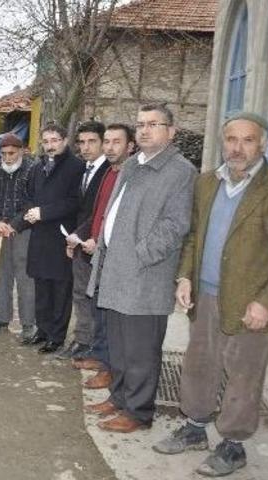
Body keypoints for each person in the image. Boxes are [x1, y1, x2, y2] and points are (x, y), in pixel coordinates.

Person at [153, 112, 268, 477]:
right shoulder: (207, 183)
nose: (237, 148)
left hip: (252, 306)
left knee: (244, 376)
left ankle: (234, 445)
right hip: (204, 297)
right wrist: (185, 277)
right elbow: (193, 238)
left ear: (263, 144)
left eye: (247, 140)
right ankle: (194, 427)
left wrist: (267, 302)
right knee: (199, 364)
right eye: (231, 139)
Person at [86, 103, 197, 433]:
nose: (145, 130)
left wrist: (139, 254)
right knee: (119, 346)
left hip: (144, 275)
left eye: (154, 124)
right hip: (115, 270)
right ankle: (119, 398)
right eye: (141, 124)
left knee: (140, 351)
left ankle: (138, 412)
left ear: (171, 132)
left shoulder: (180, 171)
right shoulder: (133, 164)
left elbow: (175, 225)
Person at [71, 124, 135, 390]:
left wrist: (98, 242)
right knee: (97, 306)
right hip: (95, 250)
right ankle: (100, 357)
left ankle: (109, 369)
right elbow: (99, 213)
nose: (109, 148)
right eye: (106, 142)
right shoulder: (110, 172)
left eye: (115, 142)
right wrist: (80, 236)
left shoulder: (131, 176)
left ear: (130, 146)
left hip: (115, 255)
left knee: (111, 316)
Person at [18, 124, 84, 353]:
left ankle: (57, 337)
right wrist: (29, 212)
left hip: (61, 238)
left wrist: (44, 213)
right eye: (46, 141)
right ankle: (42, 331)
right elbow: (28, 196)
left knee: (60, 290)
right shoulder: (37, 168)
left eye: (54, 140)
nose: (50, 146)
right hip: (39, 237)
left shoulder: (76, 167)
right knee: (42, 288)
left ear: (65, 140)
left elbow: (75, 202)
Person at [60, 121, 109, 360]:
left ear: (102, 142)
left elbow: (100, 211)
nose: (86, 147)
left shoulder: (109, 172)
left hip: (95, 242)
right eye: (82, 142)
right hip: (78, 242)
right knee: (80, 293)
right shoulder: (83, 169)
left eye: (92, 142)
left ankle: (91, 345)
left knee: (93, 296)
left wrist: (82, 235)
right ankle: (82, 339)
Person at [0, 133, 37, 340]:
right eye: (3, 153)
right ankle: (2, 317)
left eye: (12, 154)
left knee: (25, 277)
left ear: (22, 151)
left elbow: (32, 201)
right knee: (0, 273)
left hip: (24, 229)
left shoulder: (33, 169)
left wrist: (14, 224)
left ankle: (27, 323)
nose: (7, 158)